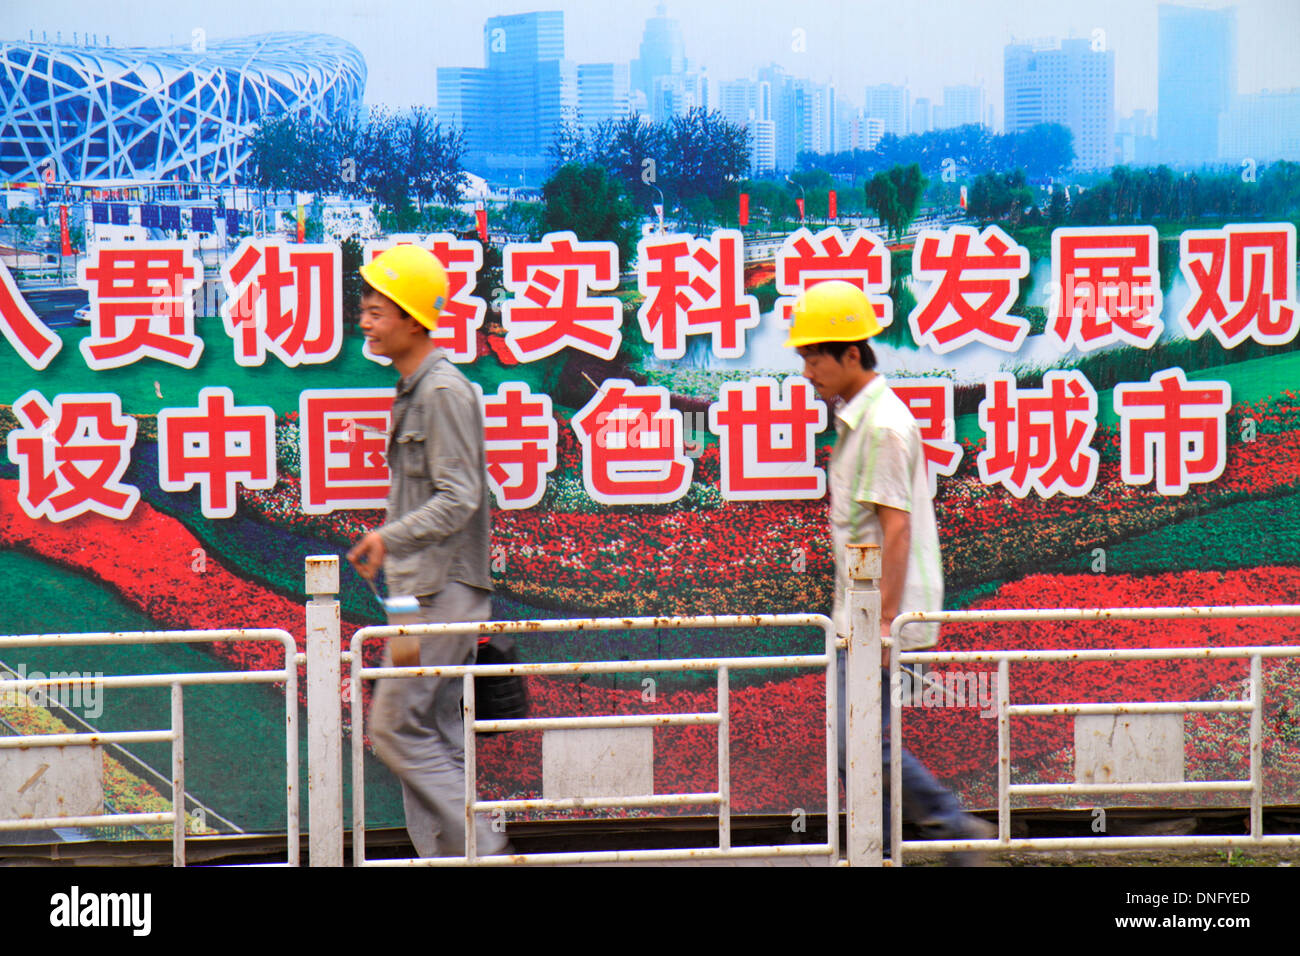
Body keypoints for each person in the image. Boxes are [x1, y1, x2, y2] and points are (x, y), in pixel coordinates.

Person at [785, 280, 993, 864]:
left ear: (852, 353)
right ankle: (915, 837)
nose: (807, 371)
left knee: (861, 741)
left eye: (814, 356)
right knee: (856, 740)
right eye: (803, 357)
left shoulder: (882, 426)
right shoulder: (861, 420)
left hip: (877, 613)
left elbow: (895, 528)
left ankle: (949, 826)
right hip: (861, 609)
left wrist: (885, 624)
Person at [346, 244, 507, 858]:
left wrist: (389, 537)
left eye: (377, 312)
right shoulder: (414, 388)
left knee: (392, 727)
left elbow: (461, 497)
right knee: (433, 728)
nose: (365, 322)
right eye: (364, 310)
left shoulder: (442, 391)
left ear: (414, 319)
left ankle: (484, 845)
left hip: (446, 593)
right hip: (416, 598)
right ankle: (449, 856)